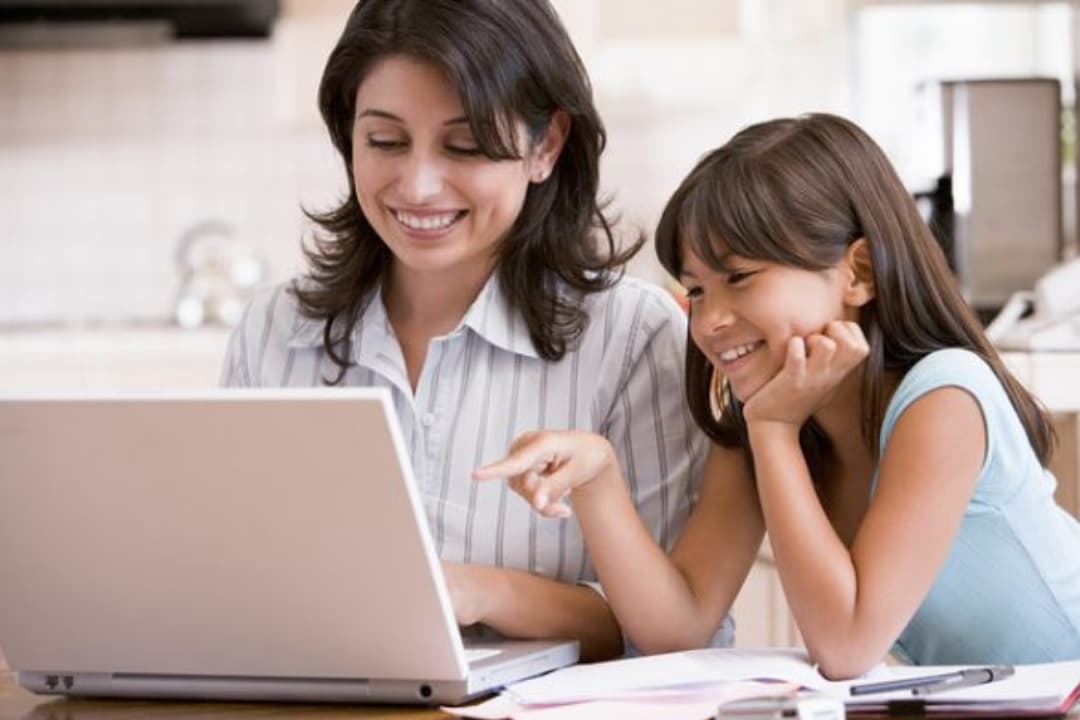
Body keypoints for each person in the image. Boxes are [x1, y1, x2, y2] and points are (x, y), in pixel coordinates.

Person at [477, 113, 1080, 677]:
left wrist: (772, 431)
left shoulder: (943, 397)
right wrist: (598, 481)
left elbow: (846, 645)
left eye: (738, 278)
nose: (709, 320)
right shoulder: (770, 412)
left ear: (858, 273)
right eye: (696, 290)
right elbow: (680, 624)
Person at [219, 0, 712, 661]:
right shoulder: (272, 331)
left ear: (546, 146)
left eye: (466, 145)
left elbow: (665, 634)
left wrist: (475, 592)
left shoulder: (633, 337)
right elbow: (234, 588)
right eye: (385, 142)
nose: (418, 186)